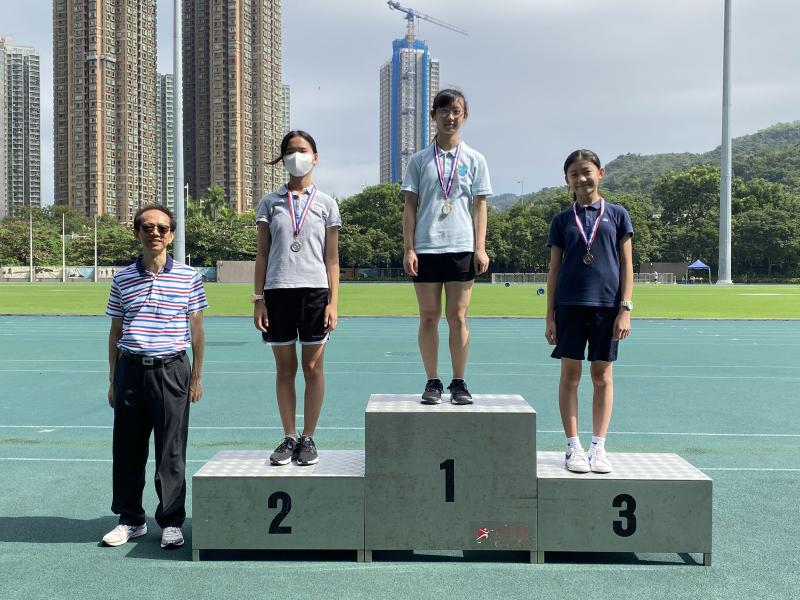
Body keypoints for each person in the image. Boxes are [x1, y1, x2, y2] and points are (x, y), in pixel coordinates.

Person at [103, 204, 207, 548]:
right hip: (131, 369)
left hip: (172, 369)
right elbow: (116, 329)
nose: (155, 233)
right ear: (137, 233)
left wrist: (196, 377)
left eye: (162, 228)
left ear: (171, 235)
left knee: (171, 451)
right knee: (128, 450)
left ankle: (172, 520)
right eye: (147, 227)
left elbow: (197, 329)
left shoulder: (189, 277)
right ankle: (131, 519)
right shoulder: (122, 279)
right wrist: (112, 378)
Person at [254, 130, 340, 466]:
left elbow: (332, 258)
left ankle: (309, 437)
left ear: (315, 157)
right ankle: (289, 436)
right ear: (282, 158)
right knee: (285, 369)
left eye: (302, 151)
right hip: (277, 291)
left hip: (315, 292)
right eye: (290, 151)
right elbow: (262, 253)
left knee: (314, 368)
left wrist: (334, 302)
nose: (296, 156)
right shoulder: (269, 201)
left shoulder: (326, 204)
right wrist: (258, 298)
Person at [544, 149, 633, 474]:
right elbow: (554, 269)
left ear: (600, 172)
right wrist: (550, 315)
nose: (581, 179)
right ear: (567, 180)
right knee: (570, 376)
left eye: (586, 171)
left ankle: (599, 446)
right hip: (569, 306)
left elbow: (627, 264)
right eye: (573, 174)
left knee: (602, 375)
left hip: (607, 307)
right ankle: (573, 447)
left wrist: (625, 308)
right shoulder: (562, 220)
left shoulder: (618, 214)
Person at [401, 88, 492, 405]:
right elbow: (410, 206)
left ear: (464, 116)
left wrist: (480, 248)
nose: (450, 116)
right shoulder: (419, 160)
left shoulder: (475, 159)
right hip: (426, 248)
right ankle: (432, 381)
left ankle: (459, 381)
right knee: (428, 316)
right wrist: (409, 248)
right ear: (433, 116)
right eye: (444, 110)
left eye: (456, 111)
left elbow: (480, 206)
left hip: (461, 246)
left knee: (458, 317)